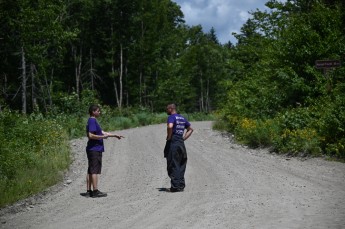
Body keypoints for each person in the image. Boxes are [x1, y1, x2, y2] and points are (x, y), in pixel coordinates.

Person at [84, 104, 124, 198]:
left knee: (90, 169)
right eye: (98, 111)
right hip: (94, 148)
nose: (99, 112)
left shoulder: (92, 121)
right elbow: (90, 135)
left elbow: (102, 132)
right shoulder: (92, 120)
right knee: (94, 170)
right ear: (93, 112)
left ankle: (88, 191)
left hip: (92, 148)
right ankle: (95, 191)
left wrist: (114, 135)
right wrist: (102, 137)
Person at [164, 103, 193, 192]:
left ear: (171, 109)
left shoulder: (171, 117)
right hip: (180, 142)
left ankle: (175, 187)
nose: (166, 110)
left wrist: (169, 136)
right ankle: (180, 186)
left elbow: (170, 126)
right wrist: (183, 138)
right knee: (181, 164)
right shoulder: (182, 117)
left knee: (173, 164)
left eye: (167, 109)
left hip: (173, 142)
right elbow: (191, 129)